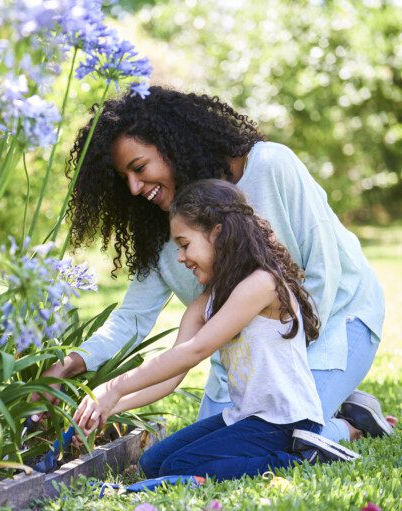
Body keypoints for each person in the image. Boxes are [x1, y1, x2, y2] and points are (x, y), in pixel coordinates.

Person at [41, 86, 391, 442]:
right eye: (124, 178)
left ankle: (351, 426)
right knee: (211, 441)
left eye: (139, 167)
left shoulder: (270, 166)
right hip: (247, 359)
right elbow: (131, 319)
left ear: (172, 144)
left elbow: (324, 270)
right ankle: (334, 404)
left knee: (282, 434)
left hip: (336, 322)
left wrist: (286, 373)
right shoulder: (162, 231)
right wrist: (71, 363)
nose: (133, 187)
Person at [73, 180, 359, 481]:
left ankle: (307, 458)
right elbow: (172, 372)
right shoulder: (207, 300)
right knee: (153, 463)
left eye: (184, 244)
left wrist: (114, 387)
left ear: (217, 234)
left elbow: (195, 351)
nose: (181, 257)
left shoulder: (262, 284)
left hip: (286, 423)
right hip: (246, 418)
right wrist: (110, 408)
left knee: (177, 468)